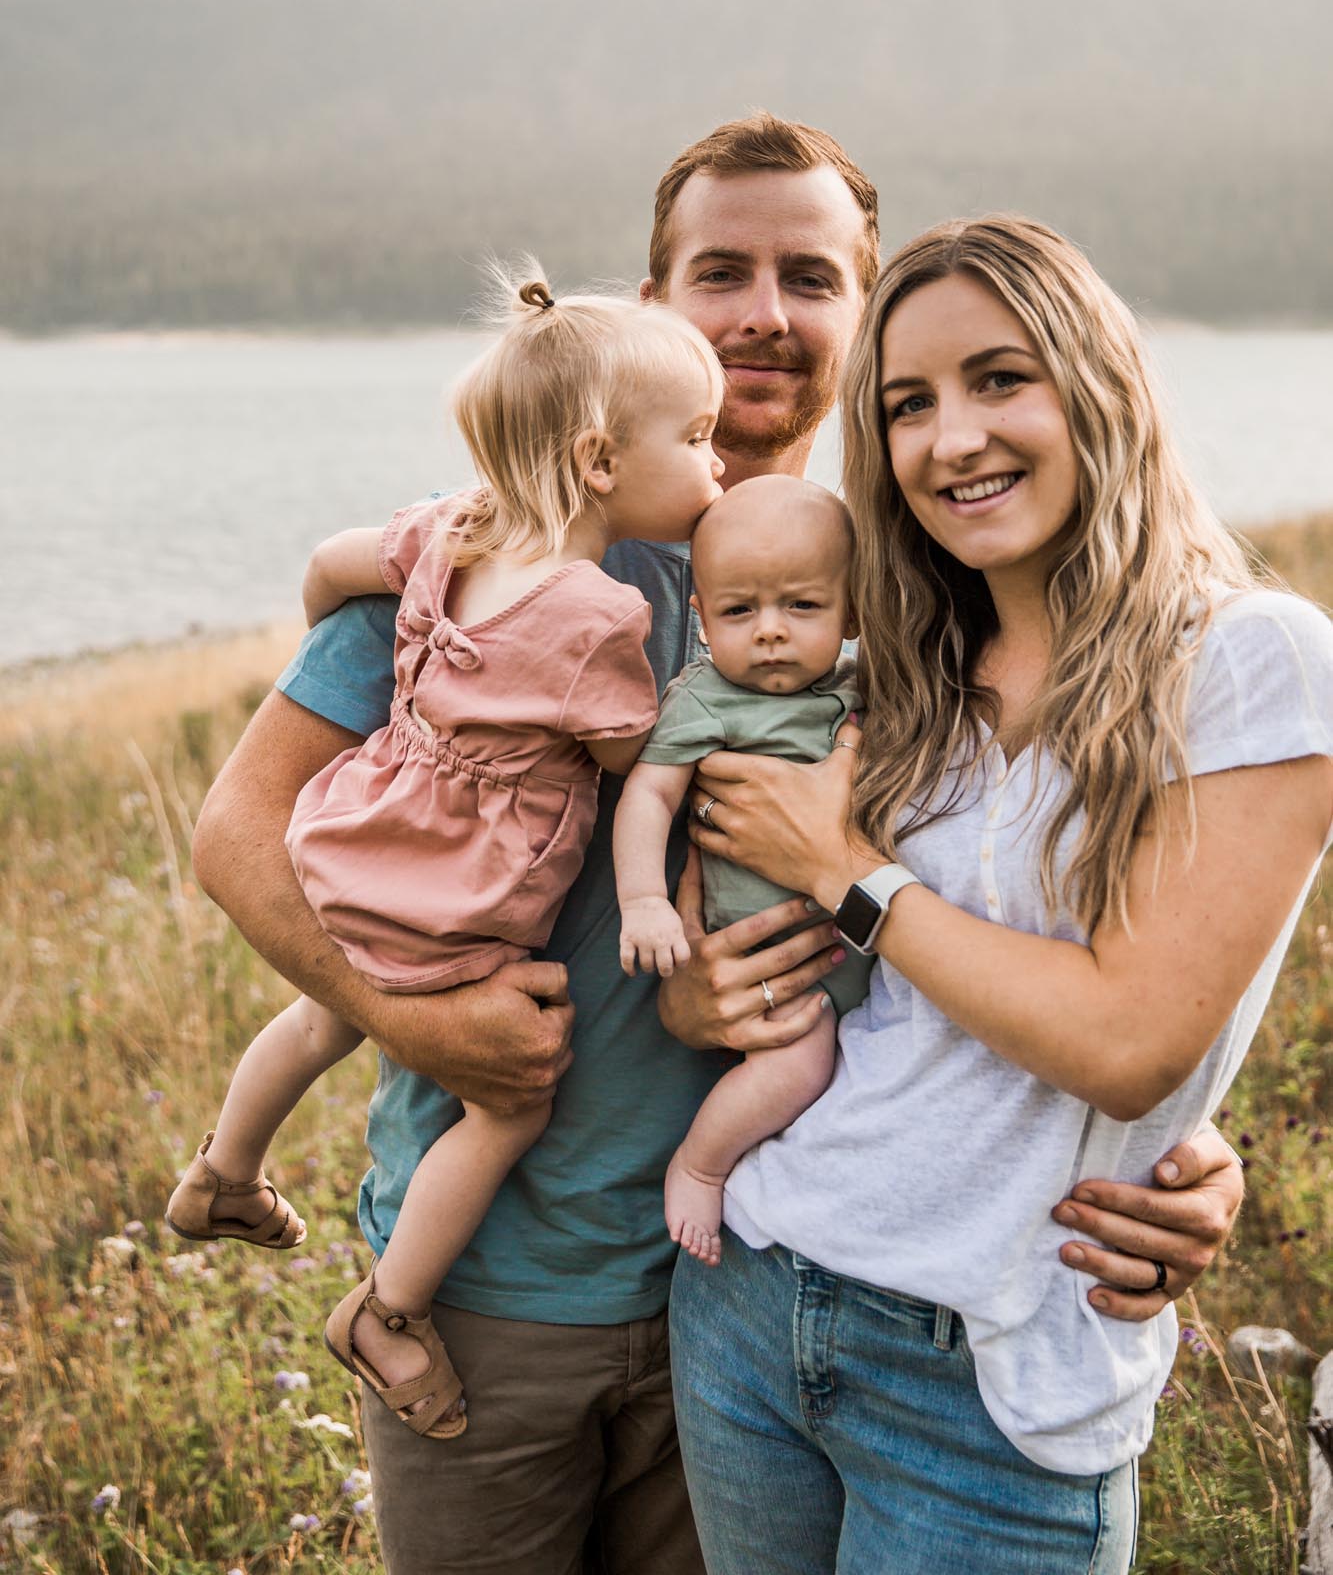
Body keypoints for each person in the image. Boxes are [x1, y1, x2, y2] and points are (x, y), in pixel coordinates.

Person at [190, 118, 1245, 1575]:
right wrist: (409, 1017)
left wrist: (1172, 1137)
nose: (763, 311)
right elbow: (236, 833)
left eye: (810, 277)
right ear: (654, 302)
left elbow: (1030, 901)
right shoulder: (516, 548)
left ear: (862, 314)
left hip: (761, 1280)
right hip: (505, 1286)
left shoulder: (924, 582)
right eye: (721, 271)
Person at [673, 214, 1333, 1574]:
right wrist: (701, 984)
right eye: (906, 405)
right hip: (755, 1295)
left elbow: (1126, 1041)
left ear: (1097, 380)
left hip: (989, 1375)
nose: (950, 437)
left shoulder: (1250, 660)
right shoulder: (902, 672)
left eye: (998, 378)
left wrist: (842, 872)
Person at [168, 274, 723, 1439]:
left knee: (326, 1016)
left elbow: (327, 569)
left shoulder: (452, 533)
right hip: (462, 899)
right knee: (506, 1112)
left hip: (359, 840)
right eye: (698, 438)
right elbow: (641, 758)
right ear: (600, 462)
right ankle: (393, 1306)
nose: (713, 465)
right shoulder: (596, 615)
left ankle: (225, 1163)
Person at [615, 475, 867, 1265]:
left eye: (800, 606)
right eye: (738, 611)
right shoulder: (705, 698)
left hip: (864, 942)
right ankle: (701, 1163)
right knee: (800, 1055)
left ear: (851, 610)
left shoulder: (867, 688)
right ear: (700, 617)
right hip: (772, 958)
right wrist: (645, 903)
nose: (768, 633)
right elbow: (648, 798)